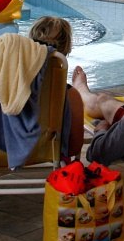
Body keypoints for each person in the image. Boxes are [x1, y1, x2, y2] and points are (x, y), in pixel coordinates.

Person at [26, 16, 85, 161]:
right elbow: (74, 147)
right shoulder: (70, 96)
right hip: (51, 155)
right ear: (66, 49)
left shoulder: (8, 89)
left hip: (6, 154)